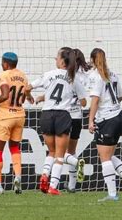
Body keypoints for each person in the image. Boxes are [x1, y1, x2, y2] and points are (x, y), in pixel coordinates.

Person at [25, 47, 87, 195]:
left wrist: (29, 96)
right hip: (63, 115)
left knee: (51, 151)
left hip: (46, 114)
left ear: (62, 61)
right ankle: (53, 186)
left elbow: (27, 87)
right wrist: (72, 100)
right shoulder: (73, 78)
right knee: (60, 154)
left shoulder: (48, 75)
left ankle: (44, 175)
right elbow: (84, 102)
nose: (55, 59)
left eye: (57, 57)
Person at [88, 48, 122, 202]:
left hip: (106, 119)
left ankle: (112, 194)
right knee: (108, 155)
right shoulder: (113, 75)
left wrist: (90, 120)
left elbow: (95, 100)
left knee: (105, 158)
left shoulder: (96, 77)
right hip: (118, 116)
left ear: (92, 60)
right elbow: (121, 96)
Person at [0, 52, 30, 195]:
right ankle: (17, 177)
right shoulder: (23, 76)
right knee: (15, 148)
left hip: (5, 116)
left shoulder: (4, 75)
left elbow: (5, 95)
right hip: (19, 115)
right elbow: (20, 96)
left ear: (5, 64)